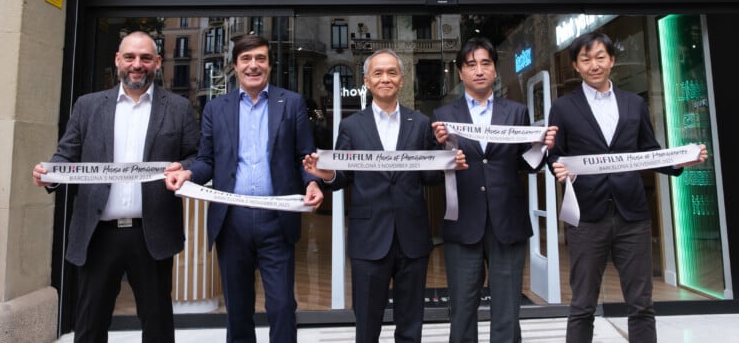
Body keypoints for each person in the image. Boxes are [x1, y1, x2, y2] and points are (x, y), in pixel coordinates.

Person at [32, 31, 200, 343]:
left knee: (158, 327)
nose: (138, 64)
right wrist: (50, 172)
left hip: (152, 234)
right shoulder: (88, 106)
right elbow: (67, 154)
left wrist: (186, 170)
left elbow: (195, 155)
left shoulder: (177, 107)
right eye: (130, 57)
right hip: (98, 235)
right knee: (89, 326)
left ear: (158, 62)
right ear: (118, 60)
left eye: (146, 58)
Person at [548, 31, 707, 343]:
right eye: (586, 59)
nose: (594, 65)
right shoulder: (563, 107)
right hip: (586, 216)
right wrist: (557, 166)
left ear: (612, 60)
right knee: (582, 304)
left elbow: (648, 150)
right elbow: (554, 154)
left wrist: (680, 161)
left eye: (600, 57)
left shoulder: (633, 103)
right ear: (576, 66)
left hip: (632, 215)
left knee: (641, 304)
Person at [164, 34, 324, 343]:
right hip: (231, 221)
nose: (254, 66)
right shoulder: (216, 108)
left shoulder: (290, 103)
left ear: (269, 64)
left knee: (281, 306)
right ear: (235, 66)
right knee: (238, 310)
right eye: (246, 59)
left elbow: (304, 157)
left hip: (277, 219)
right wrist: (187, 173)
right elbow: (207, 160)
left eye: (260, 59)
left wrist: (313, 182)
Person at [303, 49, 464, 343]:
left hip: (412, 237)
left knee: (411, 324)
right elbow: (343, 176)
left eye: (391, 72)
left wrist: (446, 162)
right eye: (378, 73)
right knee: (366, 325)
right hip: (368, 239)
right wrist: (326, 176)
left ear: (401, 79)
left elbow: (428, 176)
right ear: (366, 80)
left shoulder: (420, 122)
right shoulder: (351, 125)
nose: (385, 78)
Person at [431, 37, 556, 343]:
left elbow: (526, 165)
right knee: (461, 309)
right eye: (471, 65)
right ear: (460, 73)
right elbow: (432, 173)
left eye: (485, 63)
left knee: (507, 310)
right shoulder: (442, 118)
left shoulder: (515, 113)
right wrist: (441, 154)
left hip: (508, 222)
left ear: (495, 71)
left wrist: (541, 149)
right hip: (463, 223)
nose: (479, 71)